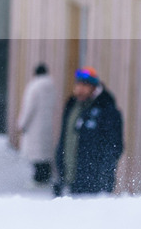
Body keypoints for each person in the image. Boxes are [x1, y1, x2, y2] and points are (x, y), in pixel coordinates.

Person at [53, 66, 124, 196]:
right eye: (78, 84)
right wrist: (60, 175)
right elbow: (64, 140)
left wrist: (103, 177)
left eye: (85, 85)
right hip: (71, 180)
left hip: (94, 185)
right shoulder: (72, 106)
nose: (80, 89)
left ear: (94, 87)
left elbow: (114, 146)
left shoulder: (106, 109)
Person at [16, 63, 57, 185]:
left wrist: (22, 124)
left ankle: (38, 178)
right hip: (47, 123)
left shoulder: (34, 86)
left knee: (36, 153)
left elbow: (29, 108)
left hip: (34, 124)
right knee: (45, 152)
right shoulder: (52, 86)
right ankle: (46, 176)